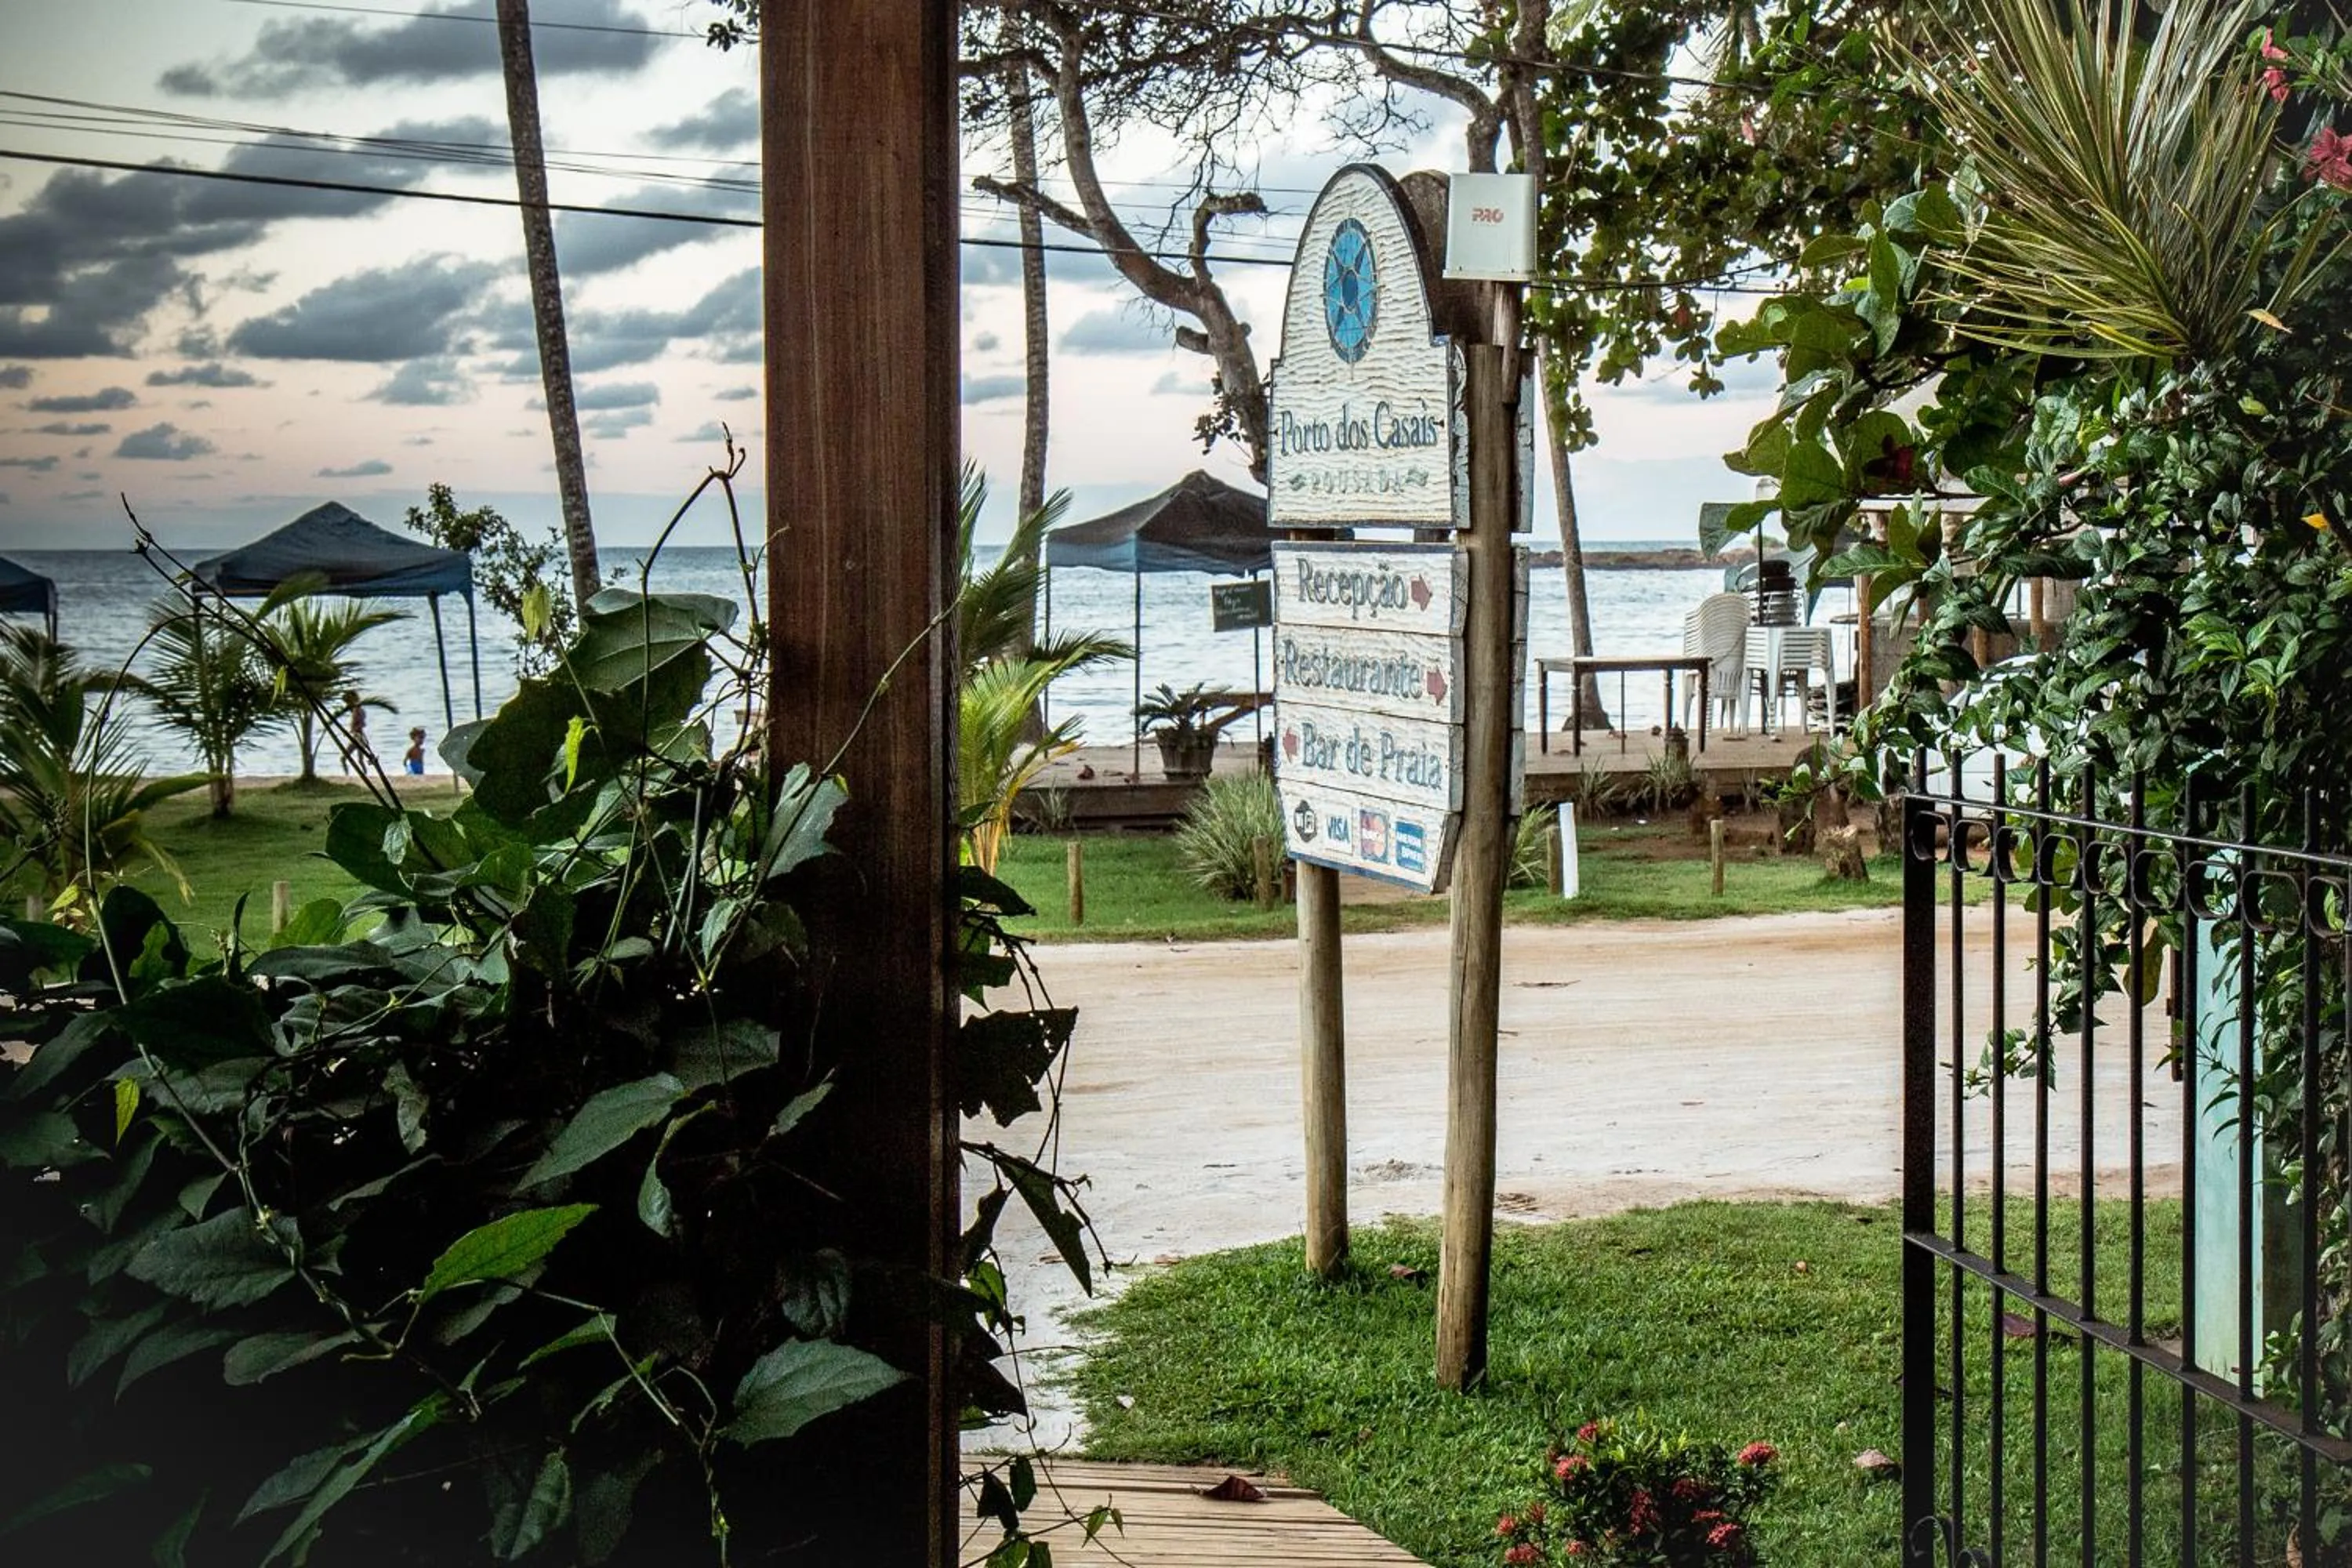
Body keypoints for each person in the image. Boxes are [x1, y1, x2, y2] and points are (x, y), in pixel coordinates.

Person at [339, 691, 373, 773]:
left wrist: (352, 730)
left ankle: (365, 775)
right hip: (355, 736)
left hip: (359, 737)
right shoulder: (355, 710)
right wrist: (351, 731)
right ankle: (347, 775)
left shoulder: (358, 710)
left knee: (360, 760)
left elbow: (362, 724)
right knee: (344, 758)